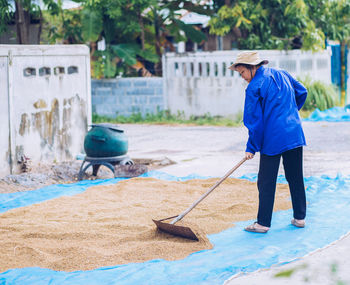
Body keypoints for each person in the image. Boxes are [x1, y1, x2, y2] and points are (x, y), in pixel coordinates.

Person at [229, 51, 307, 233]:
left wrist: (251, 147)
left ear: (252, 67)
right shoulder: (282, 73)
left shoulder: (254, 87)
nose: (243, 78)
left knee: (266, 181)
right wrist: (290, 112)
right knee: (295, 177)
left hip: (273, 138)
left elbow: (254, 121)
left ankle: (262, 223)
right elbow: (302, 91)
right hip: (294, 133)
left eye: (242, 73)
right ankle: (300, 218)